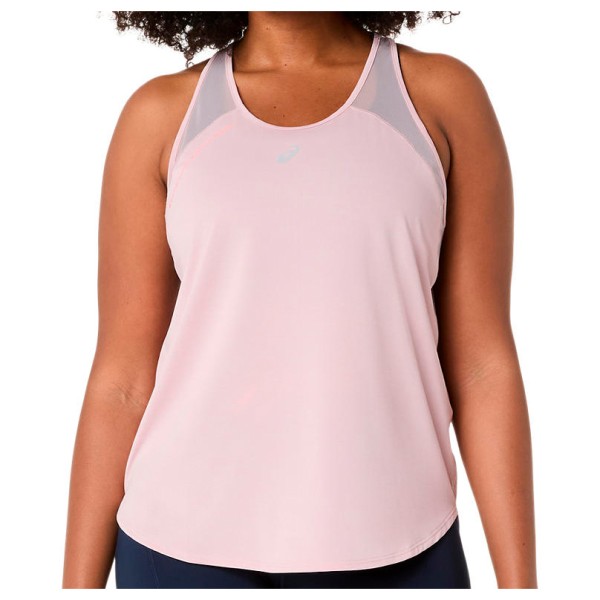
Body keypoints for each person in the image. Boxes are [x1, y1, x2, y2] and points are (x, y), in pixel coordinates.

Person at [62, 11, 537, 589]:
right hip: (182, 548)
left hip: (402, 544)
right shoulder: (161, 116)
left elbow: (482, 366)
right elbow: (122, 381)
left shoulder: (439, 99)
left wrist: (523, 588)